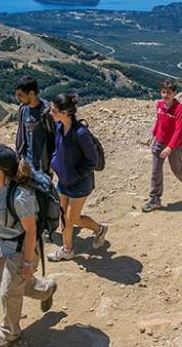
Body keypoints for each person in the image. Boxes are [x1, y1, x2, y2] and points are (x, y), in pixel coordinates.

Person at [0, 144, 57, 347]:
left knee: (8, 292)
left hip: (21, 250)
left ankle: (9, 334)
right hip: (2, 246)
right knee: (14, 287)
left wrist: (28, 262)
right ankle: (46, 289)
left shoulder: (22, 197)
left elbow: (30, 232)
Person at [47, 92, 108, 261]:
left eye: (53, 110)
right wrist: (54, 163)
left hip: (79, 183)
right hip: (64, 180)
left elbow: (92, 161)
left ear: (65, 112)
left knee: (72, 217)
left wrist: (75, 175)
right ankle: (67, 249)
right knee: (63, 215)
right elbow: (57, 149)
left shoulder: (81, 133)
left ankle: (99, 229)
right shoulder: (60, 127)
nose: (50, 113)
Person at [142, 79, 182, 212]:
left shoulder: (179, 109)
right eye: (163, 92)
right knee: (156, 170)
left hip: (174, 145)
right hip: (159, 142)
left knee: (177, 169)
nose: (165, 95)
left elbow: (178, 131)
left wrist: (170, 147)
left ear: (174, 93)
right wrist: (152, 136)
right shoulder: (159, 105)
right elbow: (158, 122)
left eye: (168, 93)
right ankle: (155, 198)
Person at [14, 76, 54, 174]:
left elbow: (55, 138)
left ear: (31, 93)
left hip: (42, 166)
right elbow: (21, 135)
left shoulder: (46, 112)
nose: (17, 98)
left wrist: (52, 164)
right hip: (26, 163)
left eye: (20, 95)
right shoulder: (23, 109)